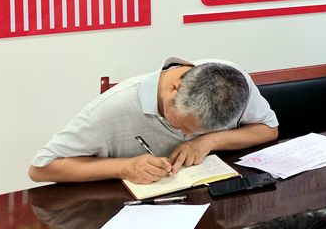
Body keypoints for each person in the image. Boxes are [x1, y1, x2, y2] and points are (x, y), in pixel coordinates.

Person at [29, 57, 278, 184]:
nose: (184, 136)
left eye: (196, 132)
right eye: (180, 124)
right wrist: (124, 167)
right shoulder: (113, 107)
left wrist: (209, 141)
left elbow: (268, 129)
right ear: (173, 89)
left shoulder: (232, 84)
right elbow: (41, 169)